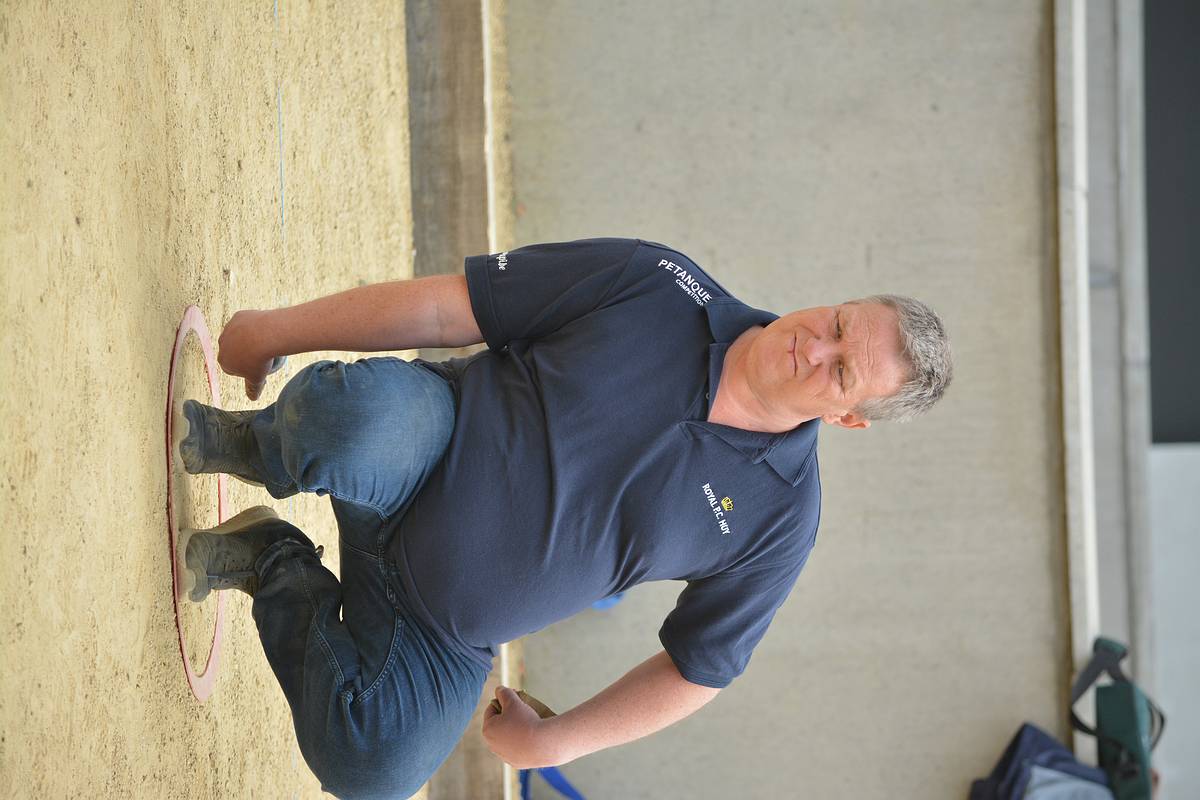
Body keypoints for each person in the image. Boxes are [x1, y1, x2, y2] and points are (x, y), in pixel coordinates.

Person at [176, 237, 952, 799]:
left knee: (372, 766)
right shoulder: (660, 283)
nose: (815, 347)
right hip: (421, 449)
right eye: (838, 323)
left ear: (849, 419)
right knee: (353, 421)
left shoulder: (782, 519)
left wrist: (557, 739)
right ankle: (251, 444)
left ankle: (272, 563)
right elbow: (453, 308)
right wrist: (276, 331)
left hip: (439, 628)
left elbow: (699, 670)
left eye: (840, 371)